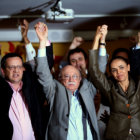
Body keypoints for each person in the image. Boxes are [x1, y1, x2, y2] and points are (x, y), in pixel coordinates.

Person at [34, 22, 107, 140]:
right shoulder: (54, 91)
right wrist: (42, 42)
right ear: (60, 79)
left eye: (75, 76)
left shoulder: (88, 89)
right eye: (66, 76)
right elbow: (43, 73)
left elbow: (100, 70)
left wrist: (101, 41)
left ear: (80, 79)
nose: (71, 79)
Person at [89, 27, 140, 139]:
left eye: (121, 67)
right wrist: (98, 38)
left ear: (128, 67)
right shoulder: (109, 88)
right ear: (111, 73)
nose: (118, 72)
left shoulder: (138, 84)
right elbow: (93, 71)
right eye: (114, 70)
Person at [0, 53, 45, 140]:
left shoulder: (32, 91)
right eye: (11, 67)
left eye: (19, 67)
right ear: (3, 70)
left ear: (23, 69)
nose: (16, 70)